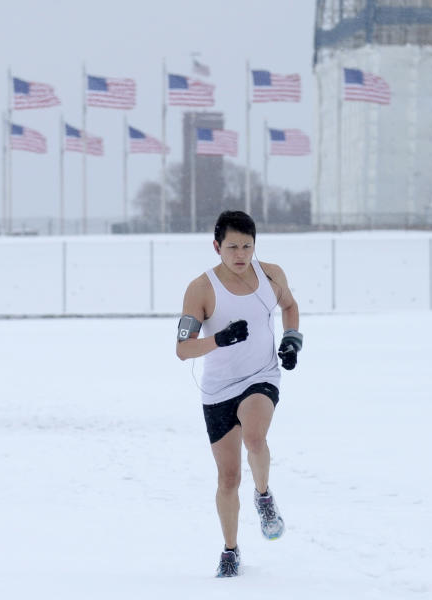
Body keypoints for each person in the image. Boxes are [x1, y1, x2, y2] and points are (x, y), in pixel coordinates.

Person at [175, 210, 302, 578]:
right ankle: (230, 550)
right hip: (217, 390)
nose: (241, 254)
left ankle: (263, 495)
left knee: (255, 436)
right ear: (216, 246)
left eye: (247, 246)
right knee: (228, 478)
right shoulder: (201, 288)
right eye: (232, 247)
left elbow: (290, 306)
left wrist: (292, 341)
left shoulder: (271, 274)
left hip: (262, 375)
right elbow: (183, 349)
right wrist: (220, 339)